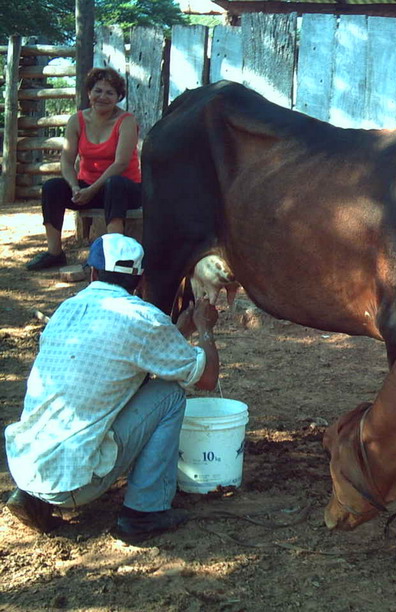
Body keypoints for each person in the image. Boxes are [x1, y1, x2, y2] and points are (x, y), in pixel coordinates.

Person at [6, 233, 220, 543]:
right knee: (170, 395)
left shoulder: (67, 309)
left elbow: (135, 358)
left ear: (92, 273)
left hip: (25, 467)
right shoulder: (143, 318)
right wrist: (204, 329)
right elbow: (208, 379)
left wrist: (180, 330)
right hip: (73, 484)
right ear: (141, 280)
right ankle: (144, 514)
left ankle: (33, 495)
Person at [26, 67, 142, 271]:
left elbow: (121, 163)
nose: (102, 97)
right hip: (87, 188)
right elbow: (67, 159)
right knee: (52, 187)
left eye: (110, 93)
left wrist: (92, 190)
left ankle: (113, 255)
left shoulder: (126, 121)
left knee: (114, 184)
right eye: (98, 91)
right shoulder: (77, 120)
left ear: (118, 97)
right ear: (89, 93)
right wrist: (74, 187)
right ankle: (54, 252)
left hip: (124, 189)